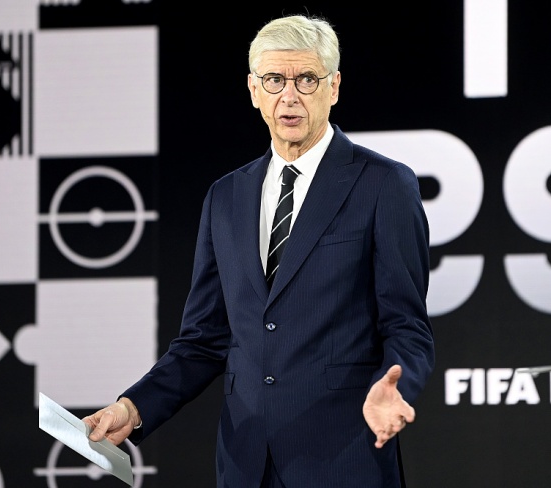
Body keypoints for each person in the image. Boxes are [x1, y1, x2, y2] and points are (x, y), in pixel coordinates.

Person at [83, 12, 435, 488]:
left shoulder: (384, 185)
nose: (289, 95)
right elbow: (203, 339)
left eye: (306, 79)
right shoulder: (225, 196)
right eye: (274, 80)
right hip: (245, 462)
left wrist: (396, 388)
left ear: (333, 87)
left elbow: (407, 326)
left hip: (345, 455)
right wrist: (133, 407)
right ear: (253, 89)